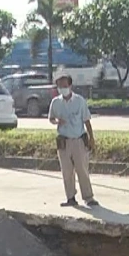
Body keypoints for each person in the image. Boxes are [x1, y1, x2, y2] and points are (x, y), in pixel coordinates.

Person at [47, 75, 98, 207]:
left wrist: (92, 138)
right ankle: (70, 198)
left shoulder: (79, 101)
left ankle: (88, 197)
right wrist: (57, 121)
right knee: (67, 171)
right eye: (59, 86)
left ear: (70, 86)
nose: (62, 89)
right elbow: (51, 118)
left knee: (82, 169)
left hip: (78, 140)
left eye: (64, 86)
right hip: (63, 141)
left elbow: (86, 120)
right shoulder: (55, 102)